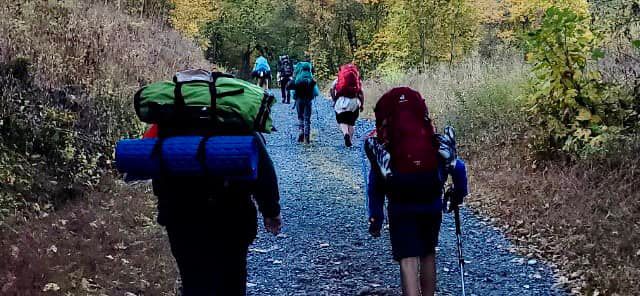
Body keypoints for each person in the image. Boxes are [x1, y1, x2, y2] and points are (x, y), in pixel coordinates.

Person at [145, 125, 282, 295]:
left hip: (181, 218)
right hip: (233, 217)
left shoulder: (168, 124)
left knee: (193, 280)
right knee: (232, 279)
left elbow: (155, 169)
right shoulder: (235, 121)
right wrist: (271, 211)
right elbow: (263, 169)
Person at [364, 87, 468, 296]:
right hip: (430, 200)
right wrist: (458, 194)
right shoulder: (433, 143)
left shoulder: (386, 149)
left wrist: (376, 217)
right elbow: (458, 167)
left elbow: (375, 183)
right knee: (428, 253)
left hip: (401, 203)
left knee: (408, 259)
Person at [330, 64, 364, 147]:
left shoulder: (338, 79)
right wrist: (362, 104)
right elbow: (361, 93)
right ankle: (350, 141)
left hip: (341, 101)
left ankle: (346, 134)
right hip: (354, 102)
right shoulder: (357, 80)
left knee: (342, 120)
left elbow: (332, 89)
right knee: (351, 122)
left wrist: (334, 99)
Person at [287, 61, 319, 144]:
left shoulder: (298, 78)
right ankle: (306, 137)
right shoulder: (311, 78)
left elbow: (291, 90)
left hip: (299, 100)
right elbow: (316, 92)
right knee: (307, 118)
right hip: (308, 101)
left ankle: (301, 130)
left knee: (300, 117)